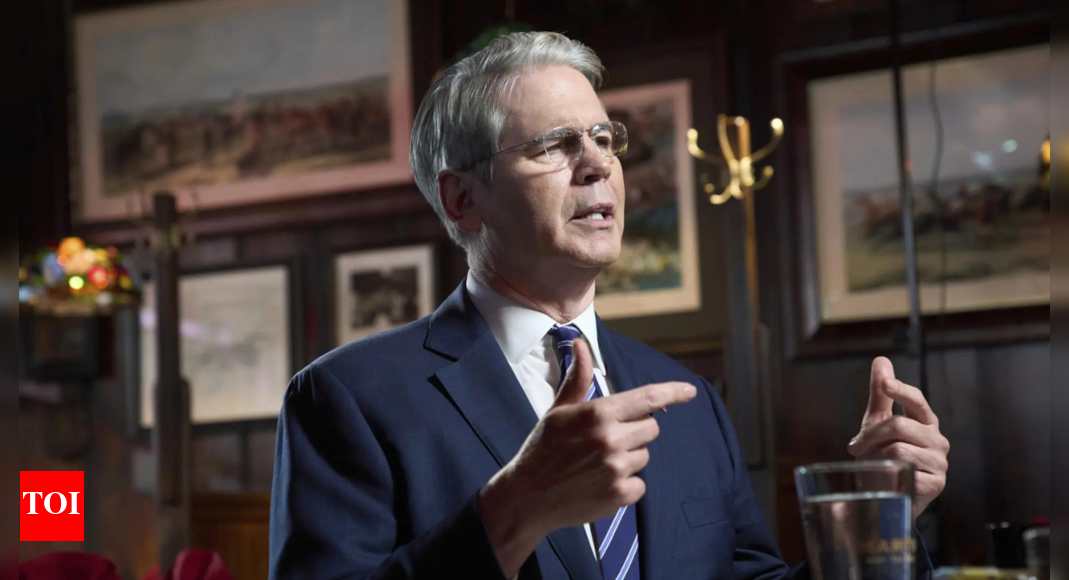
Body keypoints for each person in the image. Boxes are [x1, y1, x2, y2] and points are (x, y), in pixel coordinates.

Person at [268, 32, 950, 580]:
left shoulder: (688, 399)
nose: (597, 164)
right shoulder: (347, 398)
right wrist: (513, 511)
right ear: (462, 199)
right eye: (554, 145)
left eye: (603, 138)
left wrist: (873, 523)